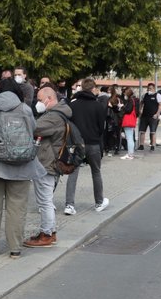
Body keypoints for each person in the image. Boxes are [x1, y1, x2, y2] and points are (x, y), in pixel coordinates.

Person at [0, 78, 44, 258]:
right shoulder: (25, 109)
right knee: (17, 207)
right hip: (21, 164)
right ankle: (15, 249)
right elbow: (34, 130)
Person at [24, 85, 72, 248]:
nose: (37, 103)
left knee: (44, 201)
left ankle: (46, 234)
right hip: (51, 161)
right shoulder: (59, 113)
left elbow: (33, 127)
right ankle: (50, 231)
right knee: (46, 200)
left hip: (46, 162)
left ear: (49, 99)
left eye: (39, 99)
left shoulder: (53, 117)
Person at [65, 77, 109, 216]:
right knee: (96, 172)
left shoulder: (73, 104)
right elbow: (102, 126)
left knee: (73, 173)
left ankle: (69, 205)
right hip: (93, 142)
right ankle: (99, 202)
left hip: (77, 144)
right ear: (93, 89)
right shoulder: (97, 105)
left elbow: (69, 124)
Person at [138, 82, 161, 151]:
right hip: (144, 116)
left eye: (150, 88)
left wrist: (157, 114)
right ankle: (141, 145)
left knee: (153, 132)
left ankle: (153, 145)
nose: (149, 90)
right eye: (148, 88)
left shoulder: (158, 96)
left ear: (154, 88)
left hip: (153, 117)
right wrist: (140, 111)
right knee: (142, 131)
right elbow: (141, 103)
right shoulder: (144, 95)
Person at [120, 86, 139, 159]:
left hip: (128, 121)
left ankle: (130, 154)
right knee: (130, 138)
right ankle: (131, 153)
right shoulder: (134, 100)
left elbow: (128, 110)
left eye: (124, 92)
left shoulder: (130, 100)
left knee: (129, 138)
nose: (123, 94)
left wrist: (122, 107)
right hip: (132, 121)